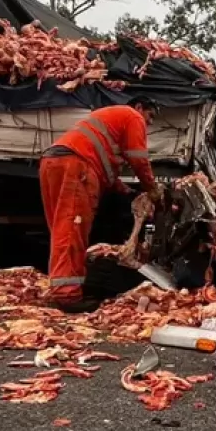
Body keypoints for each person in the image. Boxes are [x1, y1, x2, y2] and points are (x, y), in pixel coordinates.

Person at [38, 97, 164, 308]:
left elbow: (107, 167)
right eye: (150, 116)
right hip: (76, 166)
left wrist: (126, 191)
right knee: (72, 230)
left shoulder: (111, 121)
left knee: (61, 229)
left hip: (53, 162)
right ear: (140, 107)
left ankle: (61, 289)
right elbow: (139, 160)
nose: (149, 123)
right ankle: (66, 295)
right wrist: (151, 190)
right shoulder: (132, 115)